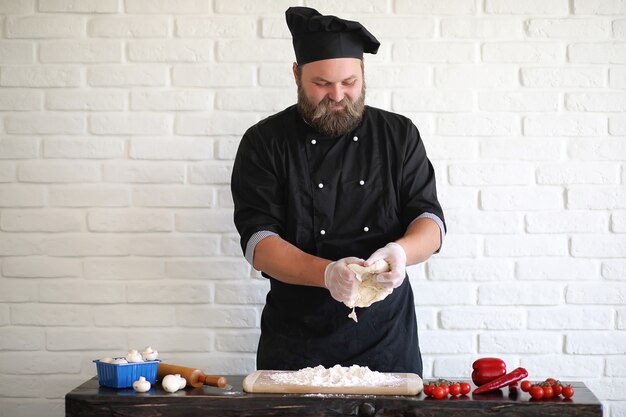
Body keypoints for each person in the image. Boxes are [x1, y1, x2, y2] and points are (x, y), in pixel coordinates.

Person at [230, 6, 445, 376]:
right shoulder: (264, 141)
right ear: (297, 74)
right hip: (296, 339)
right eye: (322, 84)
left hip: (386, 339)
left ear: (363, 74)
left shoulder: (398, 135)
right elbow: (258, 241)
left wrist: (400, 252)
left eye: (349, 82)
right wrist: (327, 273)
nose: (337, 95)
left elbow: (429, 220)